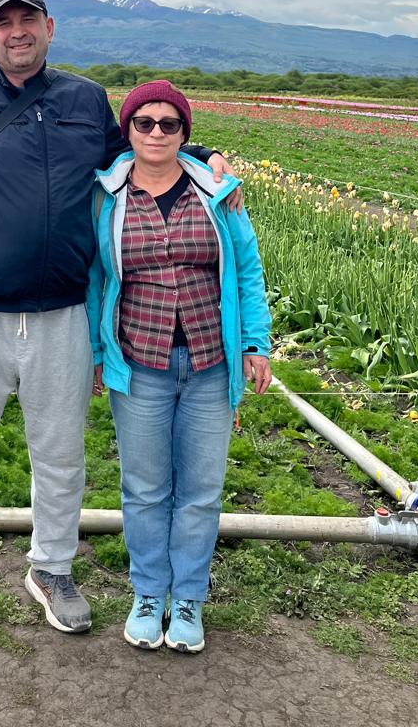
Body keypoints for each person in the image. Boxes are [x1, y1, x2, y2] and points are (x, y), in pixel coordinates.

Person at [0, 0, 240, 663]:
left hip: (62, 311)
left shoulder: (85, 100)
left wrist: (201, 156)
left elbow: (139, 154)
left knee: (59, 455)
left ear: (50, 29)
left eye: (29, 21)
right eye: (5, 24)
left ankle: (51, 568)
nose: (18, 32)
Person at [87, 80, 271, 654]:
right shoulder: (105, 196)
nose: (157, 133)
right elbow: (96, 280)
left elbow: (246, 268)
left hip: (212, 363)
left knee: (200, 490)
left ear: (185, 133)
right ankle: (148, 593)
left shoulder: (217, 193)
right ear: (129, 132)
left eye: (170, 124)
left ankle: (187, 597)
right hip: (140, 363)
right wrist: (96, 354)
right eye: (145, 123)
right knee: (143, 488)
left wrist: (256, 344)